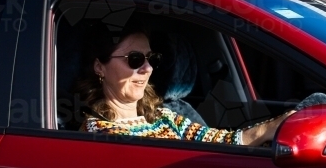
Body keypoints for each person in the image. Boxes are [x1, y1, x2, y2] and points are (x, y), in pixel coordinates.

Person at [77, 19, 293, 146]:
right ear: (99, 67)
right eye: (135, 59)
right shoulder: (99, 135)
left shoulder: (164, 116)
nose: (148, 68)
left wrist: (275, 126)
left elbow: (218, 142)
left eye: (152, 58)